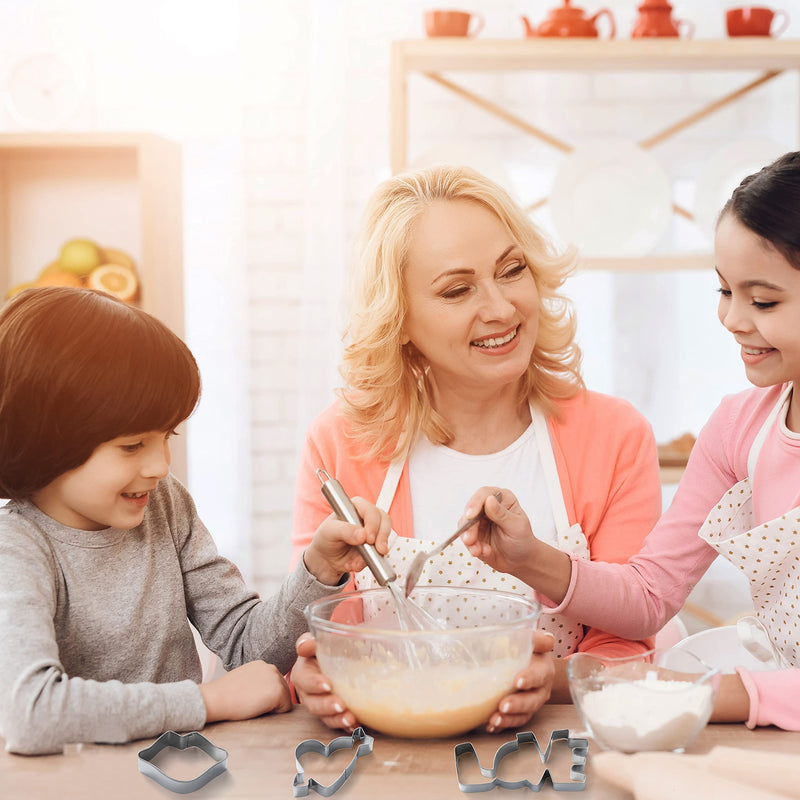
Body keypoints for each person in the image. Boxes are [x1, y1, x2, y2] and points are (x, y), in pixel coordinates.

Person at [289, 164, 663, 733]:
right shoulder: (340, 443)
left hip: (552, 753)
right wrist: (316, 677)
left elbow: (629, 648)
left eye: (511, 271)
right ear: (401, 320)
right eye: (458, 289)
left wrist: (550, 682)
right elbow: (322, 635)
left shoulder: (613, 435)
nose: (501, 308)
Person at [460, 151, 800, 732]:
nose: (732, 319)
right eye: (725, 292)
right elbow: (649, 595)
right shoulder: (738, 428)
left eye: (763, 301)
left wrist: (696, 695)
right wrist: (530, 559)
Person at [0, 286, 391, 755]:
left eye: (167, 436)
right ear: (46, 439)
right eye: (132, 446)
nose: (160, 466)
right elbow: (31, 713)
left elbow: (249, 648)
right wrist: (207, 701)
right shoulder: (17, 548)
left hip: (178, 774)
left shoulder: (164, 505)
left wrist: (319, 568)